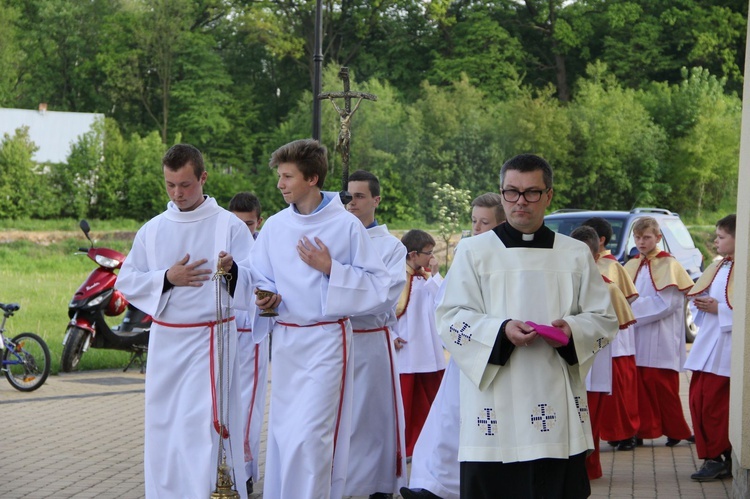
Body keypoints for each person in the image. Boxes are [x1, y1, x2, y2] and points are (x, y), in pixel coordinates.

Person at [436, 153, 618, 499]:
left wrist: (570, 329)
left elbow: (603, 318)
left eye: (532, 192)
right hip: (494, 397)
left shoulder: (575, 253)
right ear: (502, 193)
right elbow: (450, 317)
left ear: (548, 195)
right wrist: (501, 331)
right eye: (512, 192)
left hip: (555, 396)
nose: (521, 201)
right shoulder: (473, 251)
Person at [247, 139, 391, 499]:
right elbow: (259, 274)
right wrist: (266, 295)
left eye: (287, 176)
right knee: (285, 433)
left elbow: (378, 286)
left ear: (311, 178)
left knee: (312, 436)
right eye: (279, 176)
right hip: (286, 343)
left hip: (327, 343)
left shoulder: (345, 226)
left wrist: (331, 269)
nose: (280, 184)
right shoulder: (276, 227)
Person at [116, 144, 253, 498]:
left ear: (203, 178)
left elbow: (258, 280)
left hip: (212, 341)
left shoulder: (229, 226)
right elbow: (127, 281)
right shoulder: (153, 229)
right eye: (170, 185)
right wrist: (165, 278)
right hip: (166, 343)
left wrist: (233, 271)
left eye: (185, 185)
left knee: (202, 429)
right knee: (163, 426)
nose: (177, 194)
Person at [403, 192, 504, 499]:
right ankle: (431, 484)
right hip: (466, 349)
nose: (476, 228)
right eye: (474, 221)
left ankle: (459, 485)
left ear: (502, 224)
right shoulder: (466, 253)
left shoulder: (507, 258)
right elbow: (445, 303)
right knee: (446, 420)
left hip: (497, 351)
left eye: (485, 222)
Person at [343, 170, 408, 499]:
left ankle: (372, 487)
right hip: (334, 339)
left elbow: (384, 295)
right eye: (347, 196)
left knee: (368, 420)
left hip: (370, 339)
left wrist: (335, 283)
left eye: (359, 196)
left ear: (376, 200)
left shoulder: (391, 247)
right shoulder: (334, 236)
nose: (351, 203)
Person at [570, 225, 635, 480]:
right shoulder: (558, 283)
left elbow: (612, 328)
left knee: (590, 420)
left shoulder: (608, 289)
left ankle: (589, 468)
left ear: (597, 256)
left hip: (594, 367)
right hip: (567, 364)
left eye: (586, 254)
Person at [623, 216, 694, 447]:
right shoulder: (631, 264)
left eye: (646, 237)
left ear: (658, 238)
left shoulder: (670, 265)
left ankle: (676, 430)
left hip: (661, 336)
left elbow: (667, 303)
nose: (641, 242)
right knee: (640, 387)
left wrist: (630, 313)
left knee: (663, 386)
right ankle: (642, 431)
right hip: (637, 336)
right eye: (637, 237)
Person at [582, 217, 641, 452]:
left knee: (618, 391)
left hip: (616, 339)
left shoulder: (613, 266)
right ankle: (610, 433)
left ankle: (625, 434)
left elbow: (627, 298)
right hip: (591, 340)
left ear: (600, 241)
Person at [685, 214, 735, 481]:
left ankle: (718, 457)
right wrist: (701, 303)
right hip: (708, 345)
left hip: (727, 348)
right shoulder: (721, 267)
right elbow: (705, 295)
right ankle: (712, 455)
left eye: (721, 237)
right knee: (698, 400)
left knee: (715, 406)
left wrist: (720, 309)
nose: (716, 241)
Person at [228, 192, 269, 496]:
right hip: (222, 333)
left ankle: (244, 471)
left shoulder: (264, 249)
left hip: (251, 335)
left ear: (259, 221)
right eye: (238, 224)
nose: (244, 230)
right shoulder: (222, 247)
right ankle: (220, 469)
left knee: (248, 405)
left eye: (250, 223)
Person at [395, 229, 447, 458]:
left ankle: (431, 442)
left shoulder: (427, 278)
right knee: (408, 401)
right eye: (428, 253)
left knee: (433, 397)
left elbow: (444, 300)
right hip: (406, 349)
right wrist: (390, 334)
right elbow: (386, 312)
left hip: (429, 349)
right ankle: (407, 446)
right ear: (413, 254)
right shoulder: (396, 278)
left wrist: (435, 275)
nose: (432, 257)